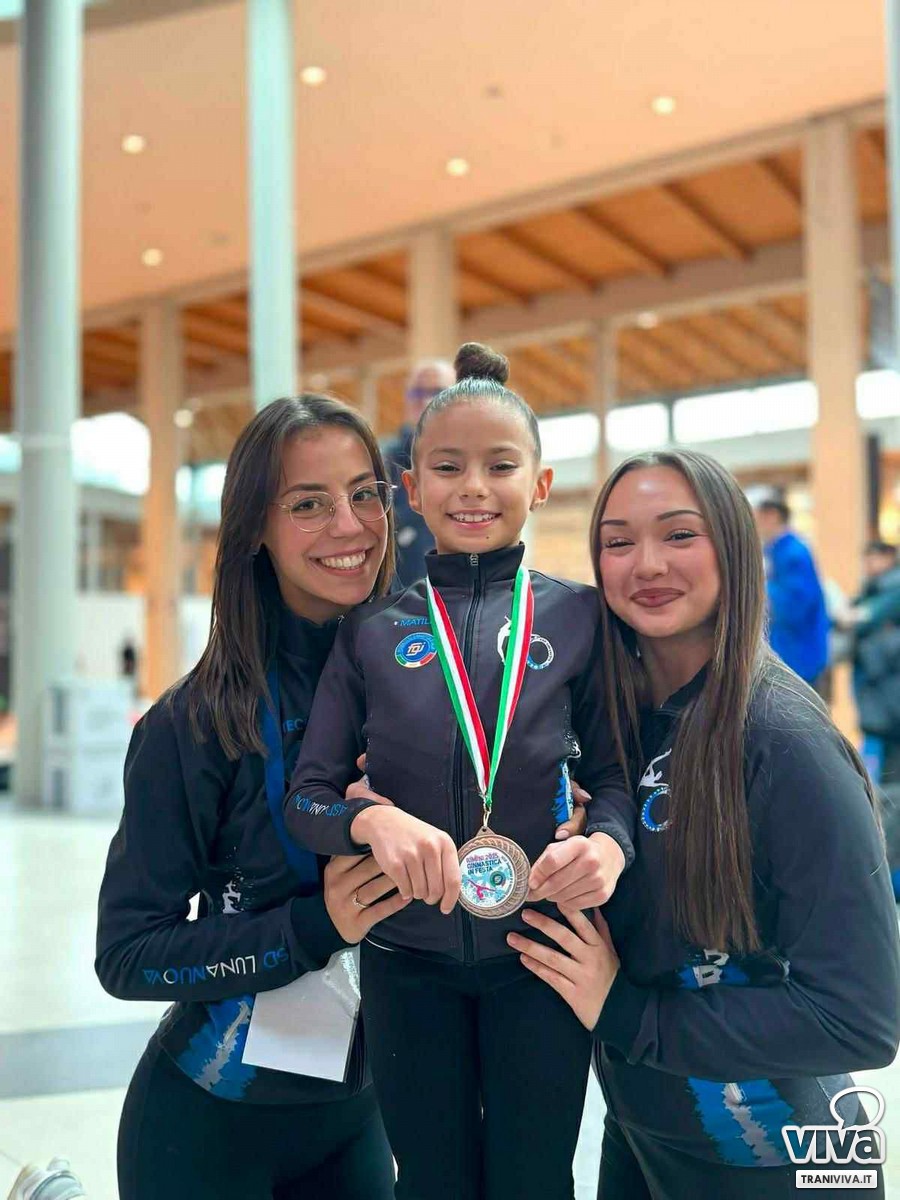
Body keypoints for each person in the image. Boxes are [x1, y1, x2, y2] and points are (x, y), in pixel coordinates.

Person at [284, 343, 635, 1200]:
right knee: (431, 1180)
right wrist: (369, 822)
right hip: (406, 962)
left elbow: (620, 779)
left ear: (540, 484)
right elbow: (308, 799)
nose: (473, 487)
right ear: (411, 487)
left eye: (500, 466)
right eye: (447, 467)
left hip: (543, 955)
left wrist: (610, 845)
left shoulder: (581, 619)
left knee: (535, 1179)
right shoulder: (371, 632)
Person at [510, 450, 900, 1199]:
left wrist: (630, 1014)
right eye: (618, 541)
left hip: (780, 1162)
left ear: (733, 548)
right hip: (643, 1133)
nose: (647, 564)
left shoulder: (784, 743)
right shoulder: (610, 727)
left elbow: (857, 1019)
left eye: (679, 534)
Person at [95, 396, 410, 1200]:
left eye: (364, 493)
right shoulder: (195, 724)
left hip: (361, 1118)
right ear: (254, 530)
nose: (350, 525)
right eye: (309, 504)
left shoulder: (419, 696)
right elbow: (128, 955)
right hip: (207, 1131)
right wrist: (312, 926)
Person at [382, 357, 455, 586]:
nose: (426, 401)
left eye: (438, 392)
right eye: (417, 393)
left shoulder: (476, 460)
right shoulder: (385, 463)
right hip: (402, 592)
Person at [751, 488, 829, 688]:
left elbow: (795, 605)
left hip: (798, 653)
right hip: (784, 649)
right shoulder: (772, 550)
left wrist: (757, 589)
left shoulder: (794, 552)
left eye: (756, 516)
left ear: (772, 515)